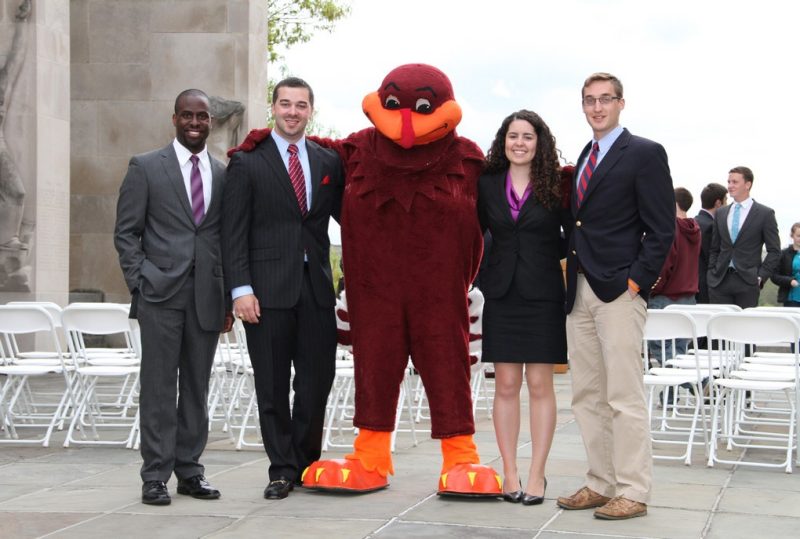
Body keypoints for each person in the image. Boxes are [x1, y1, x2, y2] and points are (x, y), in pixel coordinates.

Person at [558, 72, 675, 520]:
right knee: (587, 394)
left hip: (619, 292)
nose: (597, 107)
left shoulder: (644, 153)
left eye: (606, 99)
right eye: (589, 100)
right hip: (581, 290)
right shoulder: (587, 153)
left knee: (624, 395)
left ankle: (633, 489)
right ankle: (601, 482)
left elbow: (661, 228)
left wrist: (635, 282)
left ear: (622, 103)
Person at [221, 77, 344, 500]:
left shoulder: (328, 162)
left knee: (316, 381)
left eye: (301, 105)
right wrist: (240, 289)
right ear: (273, 107)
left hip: (316, 290)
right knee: (271, 385)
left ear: (311, 110)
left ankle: (307, 464)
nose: (293, 111)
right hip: (265, 293)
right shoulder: (247, 162)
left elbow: (354, 221)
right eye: (285, 103)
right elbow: (232, 232)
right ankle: (280, 469)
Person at [114, 89, 228, 506]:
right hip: (159, 295)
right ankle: (155, 476)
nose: (194, 122)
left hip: (206, 297)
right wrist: (140, 281)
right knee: (159, 386)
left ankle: (191, 472)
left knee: (197, 387)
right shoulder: (145, 167)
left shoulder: (222, 171)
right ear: (174, 118)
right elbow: (126, 232)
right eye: (187, 115)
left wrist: (228, 294)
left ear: (210, 121)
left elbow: (223, 237)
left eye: (202, 116)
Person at [477, 110, 571, 505]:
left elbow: (573, 234)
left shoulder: (556, 185)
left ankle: (537, 475)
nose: (519, 143)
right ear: (503, 141)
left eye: (527, 137)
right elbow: (474, 233)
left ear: (539, 143)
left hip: (544, 293)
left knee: (539, 384)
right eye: (513, 136)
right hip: (502, 294)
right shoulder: (485, 184)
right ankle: (510, 472)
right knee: (507, 385)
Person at [707, 166, 780, 309]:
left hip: (748, 281)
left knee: (744, 329)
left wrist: (760, 277)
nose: (729, 186)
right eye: (728, 182)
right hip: (719, 280)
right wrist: (712, 272)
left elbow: (774, 251)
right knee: (719, 328)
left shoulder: (765, 214)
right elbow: (714, 247)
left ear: (748, 184)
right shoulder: (721, 213)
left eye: (734, 182)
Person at [647, 187, 701, 365]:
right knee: (679, 349)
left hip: (666, 295)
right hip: (688, 295)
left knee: (658, 345)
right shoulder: (694, 228)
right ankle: (672, 393)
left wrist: (653, 287)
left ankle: (697, 380)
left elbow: (665, 263)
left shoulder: (670, 227)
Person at [0, 0, 31, 250]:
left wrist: (21, 23)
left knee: (18, 192)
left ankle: (7, 239)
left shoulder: (2, 82)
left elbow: (16, 57)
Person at [695, 183, 727, 304]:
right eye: (726, 201)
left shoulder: (693, 221)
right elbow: (711, 258)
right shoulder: (711, 226)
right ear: (718, 203)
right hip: (705, 285)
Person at [772, 222, 800, 308]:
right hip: (791, 300)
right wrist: (789, 281)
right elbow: (774, 276)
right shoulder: (783, 254)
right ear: (792, 235)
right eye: (798, 236)